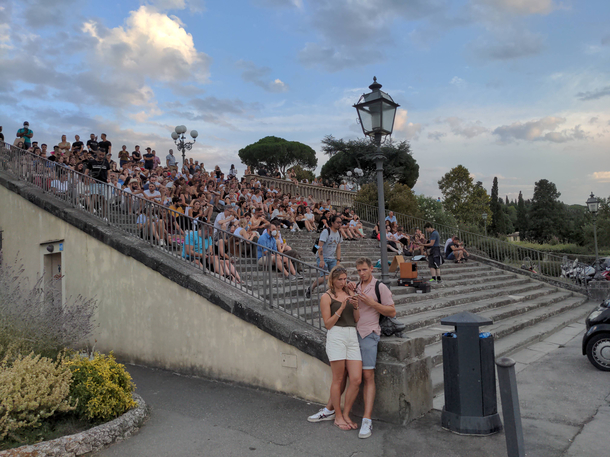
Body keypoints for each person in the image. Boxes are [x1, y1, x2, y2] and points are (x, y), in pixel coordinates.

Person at [310, 266, 361, 431]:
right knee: (338, 379)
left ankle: (346, 414)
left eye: (345, 278)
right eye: (340, 279)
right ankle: (337, 416)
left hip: (352, 335)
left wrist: (355, 305)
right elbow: (328, 324)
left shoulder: (350, 292)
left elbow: (356, 319)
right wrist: (340, 308)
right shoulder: (326, 297)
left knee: (356, 379)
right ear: (332, 280)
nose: (343, 282)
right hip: (336, 335)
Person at [306, 215, 343, 298]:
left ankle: (333, 294)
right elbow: (320, 246)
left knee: (336, 276)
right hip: (322, 258)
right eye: (337, 222)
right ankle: (311, 288)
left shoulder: (339, 233)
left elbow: (338, 247)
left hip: (332, 258)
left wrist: (338, 260)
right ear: (332, 223)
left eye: (340, 222)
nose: (339, 224)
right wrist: (321, 260)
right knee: (325, 277)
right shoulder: (326, 232)